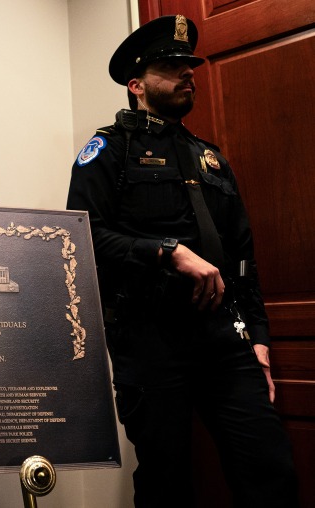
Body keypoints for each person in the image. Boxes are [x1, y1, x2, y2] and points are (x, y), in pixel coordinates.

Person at [66, 15, 299, 508]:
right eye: (171, 66)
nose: (188, 73)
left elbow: (242, 260)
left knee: (268, 468)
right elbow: (83, 238)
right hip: (151, 338)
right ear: (137, 85)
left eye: (189, 66)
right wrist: (167, 252)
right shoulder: (109, 150)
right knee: (166, 481)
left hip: (223, 338)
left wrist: (257, 338)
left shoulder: (209, 158)